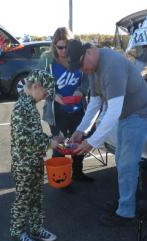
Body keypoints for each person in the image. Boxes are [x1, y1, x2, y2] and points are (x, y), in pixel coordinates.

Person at [66, 39, 147, 227]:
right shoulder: (92, 69)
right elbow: (95, 103)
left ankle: (126, 212)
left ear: (89, 52)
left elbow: (113, 111)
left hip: (140, 113)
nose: (81, 70)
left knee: (126, 163)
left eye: (81, 65)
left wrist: (91, 142)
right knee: (122, 160)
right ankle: (129, 200)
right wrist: (80, 131)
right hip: (127, 114)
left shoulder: (111, 66)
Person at [10, 69, 58, 241]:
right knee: (23, 199)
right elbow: (25, 139)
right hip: (24, 164)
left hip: (34, 161)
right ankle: (16, 233)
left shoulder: (29, 105)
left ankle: (36, 228)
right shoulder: (22, 107)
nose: (45, 96)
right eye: (45, 92)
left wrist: (49, 140)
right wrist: (49, 142)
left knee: (36, 198)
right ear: (36, 86)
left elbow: (32, 133)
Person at [40, 27, 93, 183]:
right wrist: (53, 95)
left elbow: (87, 79)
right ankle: (61, 179)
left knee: (78, 142)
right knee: (59, 145)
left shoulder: (77, 58)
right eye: (59, 47)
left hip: (78, 109)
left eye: (66, 47)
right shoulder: (48, 60)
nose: (63, 51)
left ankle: (78, 172)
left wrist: (80, 91)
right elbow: (39, 83)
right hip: (58, 111)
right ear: (54, 46)